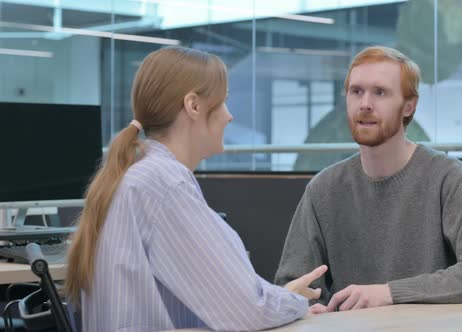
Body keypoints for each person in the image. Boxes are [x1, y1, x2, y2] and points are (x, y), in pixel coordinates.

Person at [65, 46, 327, 332]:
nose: (229, 116)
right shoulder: (165, 185)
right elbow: (246, 312)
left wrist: (279, 299)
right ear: (193, 106)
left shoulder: (140, 175)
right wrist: (292, 302)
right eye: (224, 102)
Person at [275, 46, 462, 314]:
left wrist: (390, 293)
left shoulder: (448, 178)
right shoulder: (323, 189)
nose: (365, 103)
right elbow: (292, 287)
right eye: (356, 91)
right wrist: (306, 310)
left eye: (380, 92)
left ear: (409, 105)